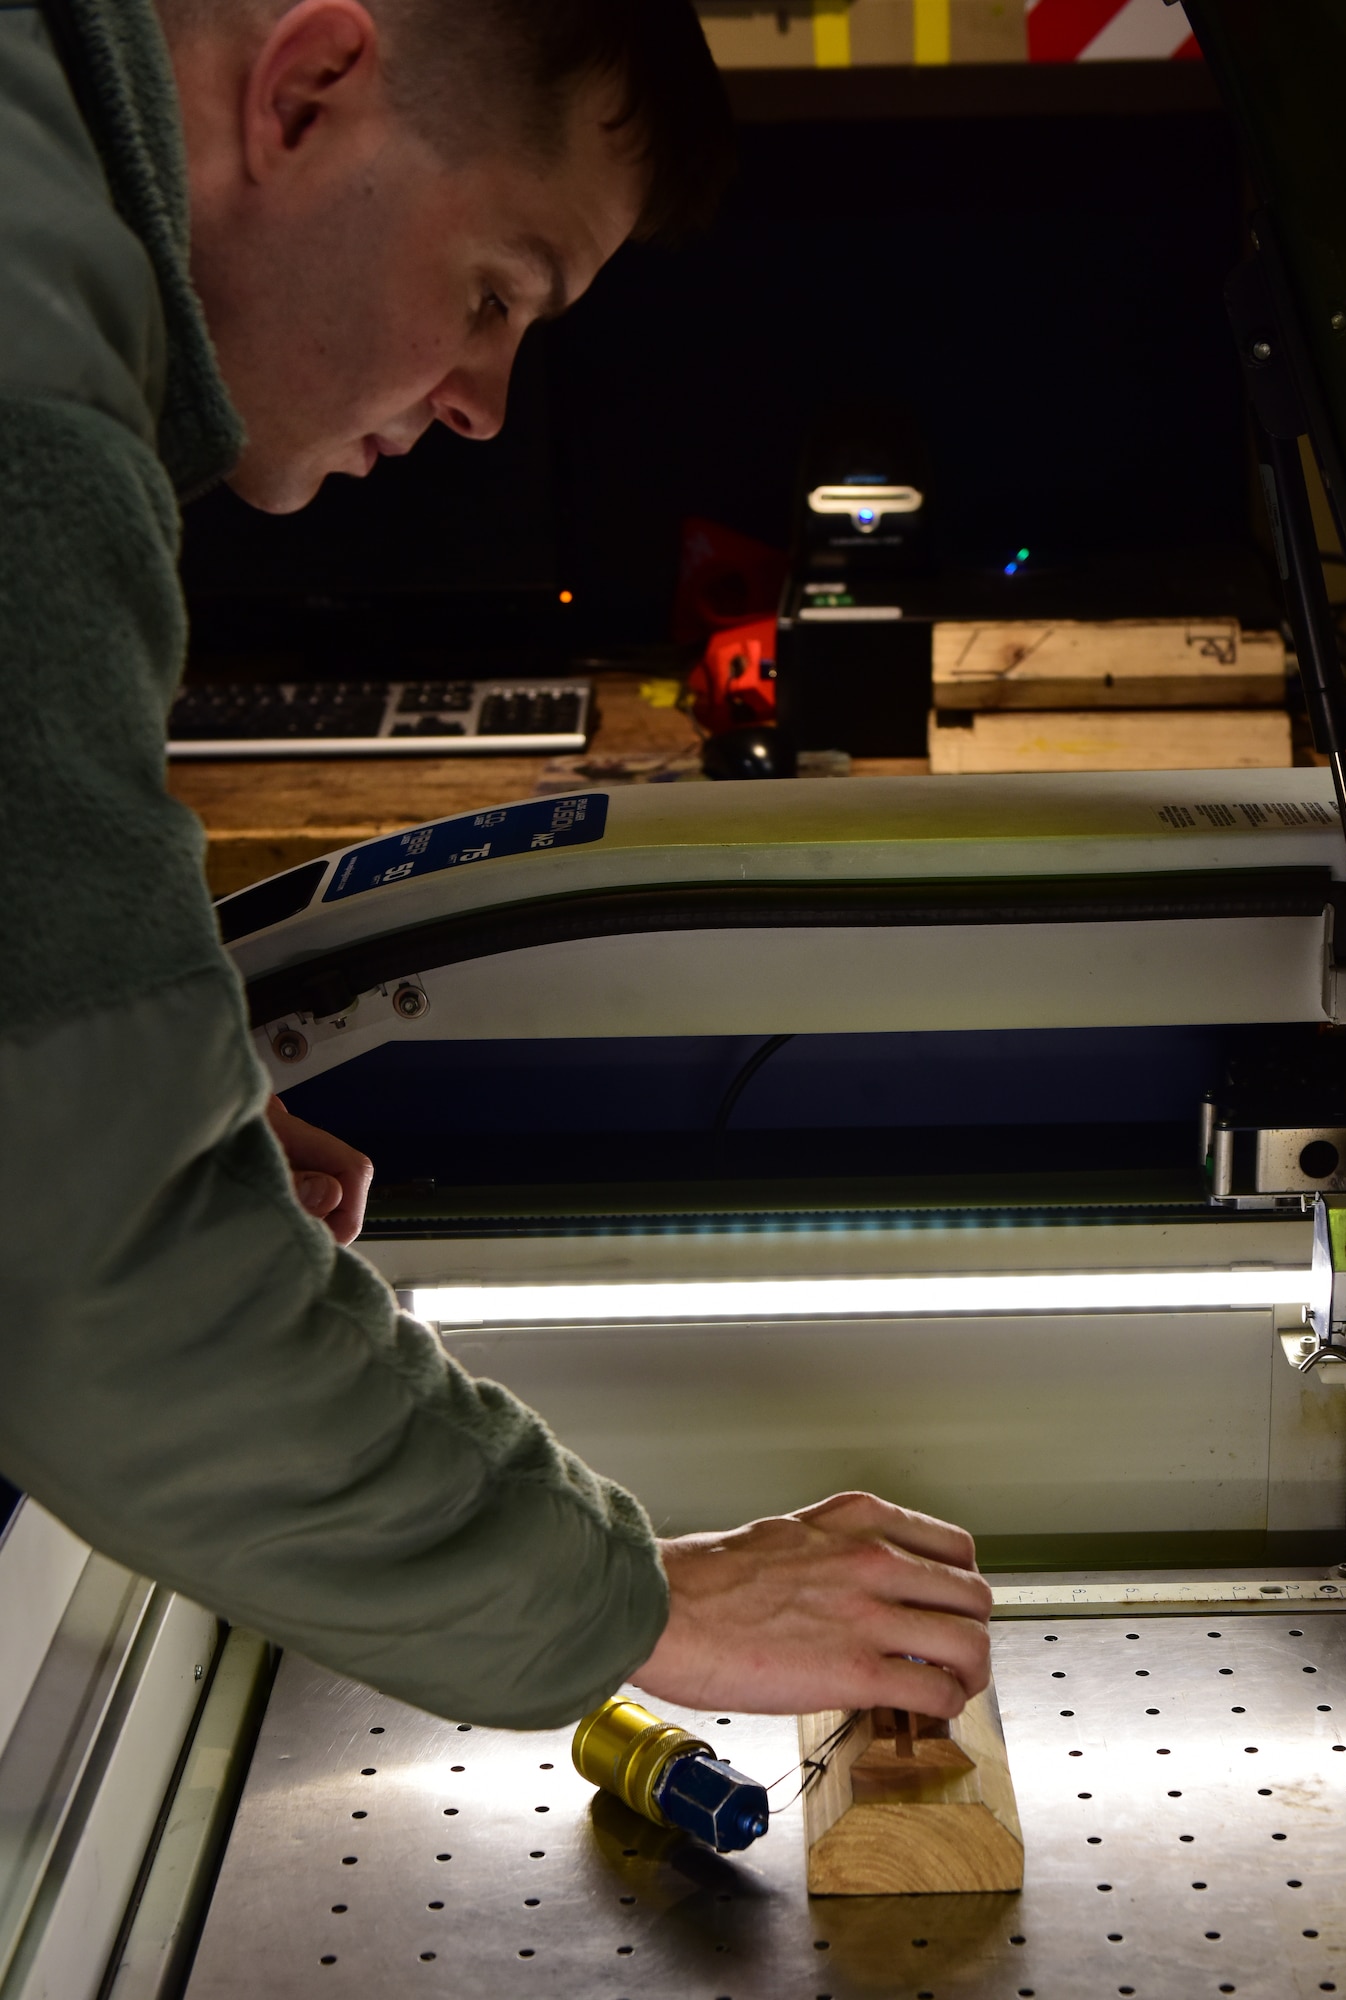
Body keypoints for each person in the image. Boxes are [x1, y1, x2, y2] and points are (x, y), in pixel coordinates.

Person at [0, 0, 992, 1729]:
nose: (481, 406)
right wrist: (648, 1604)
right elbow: (105, 1289)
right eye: (494, 293)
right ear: (309, 92)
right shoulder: (29, 409)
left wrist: (141, 1076)